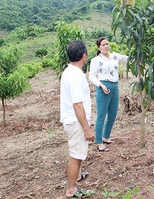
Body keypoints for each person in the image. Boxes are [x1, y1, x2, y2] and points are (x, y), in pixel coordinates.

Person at [60, 40, 94, 198]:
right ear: (84, 55)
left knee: (78, 152)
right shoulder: (76, 76)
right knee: (76, 155)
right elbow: (77, 105)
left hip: (73, 120)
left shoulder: (69, 71)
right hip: (76, 122)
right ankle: (71, 189)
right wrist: (87, 128)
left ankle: (78, 176)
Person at [89, 37, 128, 152]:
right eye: (103, 44)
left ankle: (105, 136)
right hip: (103, 87)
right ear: (99, 47)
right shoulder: (96, 60)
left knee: (112, 114)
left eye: (107, 44)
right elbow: (91, 76)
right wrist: (101, 85)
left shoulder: (114, 56)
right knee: (101, 116)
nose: (106, 46)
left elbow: (127, 59)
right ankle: (99, 142)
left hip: (115, 86)